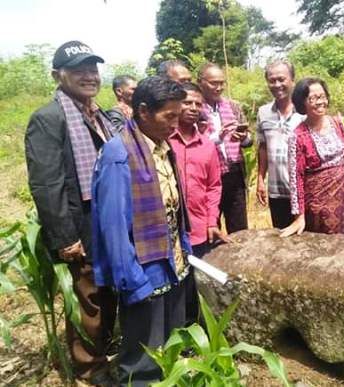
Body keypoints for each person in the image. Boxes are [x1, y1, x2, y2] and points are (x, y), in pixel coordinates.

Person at [24, 40, 118, 384]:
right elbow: (47, 185)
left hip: (106, 219)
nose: (89, 76)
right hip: (81, 224)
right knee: (88, 298)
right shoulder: (49, 118)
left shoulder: (97, 115)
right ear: (57, 75)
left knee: (105, 291)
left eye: (93, 69)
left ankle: (104, 353)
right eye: (79, 70)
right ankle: (89, 370)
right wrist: (65, 237)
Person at [91, 76, 193, 386]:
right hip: (143, 268)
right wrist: (131, 280)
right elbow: (113, 228)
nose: (176, 124)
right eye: (170, 116)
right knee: (142, 351)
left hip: (171, 259)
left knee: (168, 338)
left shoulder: (162, 146)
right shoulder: (118, 154)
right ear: (144, 111)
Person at [280, 77, 344, 237]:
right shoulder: (297, 136)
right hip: (318, 205)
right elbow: (296, 178)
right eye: (313, 98)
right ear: (302, 103)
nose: (320, 102)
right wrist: (299, 216)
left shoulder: (337, 123)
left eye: (322, 96)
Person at [168, 82, 230, 257]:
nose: (193, 108)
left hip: (200, 230)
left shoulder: (208, 145)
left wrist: (212, 222)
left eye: (198, 104)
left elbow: (213, 186)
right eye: (187, 103)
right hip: (169, 234)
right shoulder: (164, 142)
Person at [198, 62, 252, 233]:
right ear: (201, 82)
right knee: (211, 227)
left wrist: (243, 138)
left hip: (234, 173)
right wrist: (218, 137)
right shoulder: (195, 109)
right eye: (214, 83)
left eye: (222, 83)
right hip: (208, 177)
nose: (219, 87)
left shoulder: (233, 106)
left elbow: (249, 140)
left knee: (239, 227)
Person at [256, 60, 305, 228]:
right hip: (276, 192)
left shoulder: (305, 111)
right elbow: (263, 147)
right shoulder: (263, 112)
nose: (277, 84)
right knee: (281, 239)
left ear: (292, 80)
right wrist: (261, 179)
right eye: (272, 80)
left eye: (281, 79)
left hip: (303, 191)